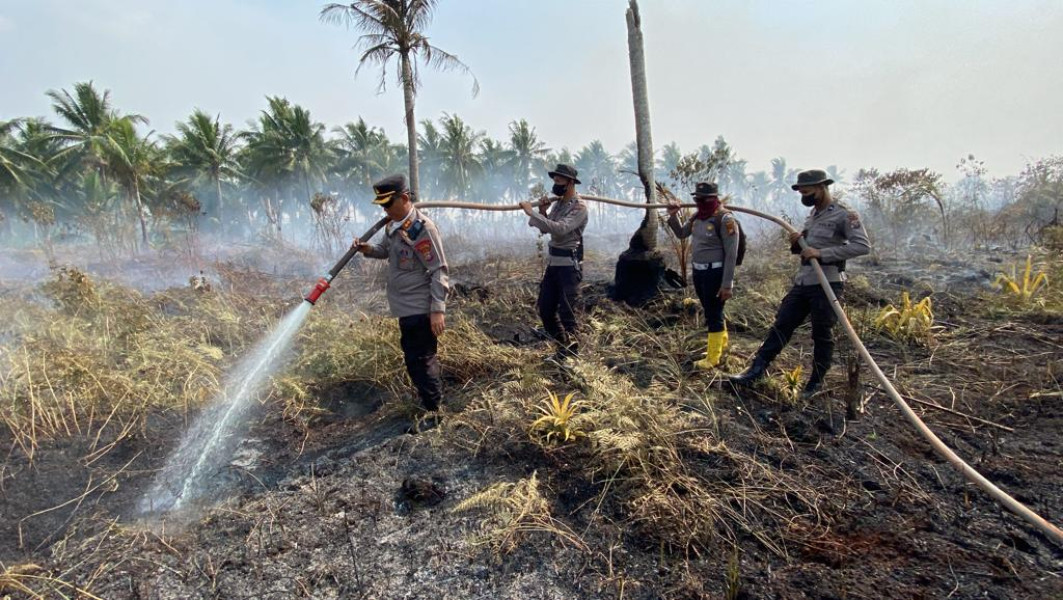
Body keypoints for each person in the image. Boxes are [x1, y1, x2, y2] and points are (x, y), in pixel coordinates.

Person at [729, 169, 871, 398]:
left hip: (827, 283)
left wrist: (822, 253)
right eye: (801, 193)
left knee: (821, 333)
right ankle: (755, 371)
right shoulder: (812, 215)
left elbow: (862, 246)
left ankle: (815, 383)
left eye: (808, 192)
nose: (804, 197)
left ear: (822, 187)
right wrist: (797, 243)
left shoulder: (844, 214)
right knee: (782, 324)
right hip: (804, 281)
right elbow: (805, 250)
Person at [353, 174, 449, 412]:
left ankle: (434, 412)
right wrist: (368, 249)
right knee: (414, 361)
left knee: (423, 361)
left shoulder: (422, 229)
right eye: (382, 205)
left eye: (388, 204)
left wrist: (437, 310)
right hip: (404, 307)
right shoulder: (393, 226)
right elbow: (386, 251)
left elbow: (439, 269)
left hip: (420, 307)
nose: (385, 210)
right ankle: (429, 404)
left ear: (404, 198)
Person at [666, 181, 740, 369]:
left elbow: (732, 254)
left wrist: (727, 284)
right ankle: (720, 347)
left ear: (714, 198)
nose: (699, 202)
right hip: (699, 272)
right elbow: (682, 233)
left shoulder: (725, 219)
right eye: (697, 199)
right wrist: (673, 216)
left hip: (715, 273)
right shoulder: (697, 217)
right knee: (711, 309)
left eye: (703, 199)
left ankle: (713, 359)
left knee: (714, 313)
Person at [519, 164, 589, 361]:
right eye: (555, 180)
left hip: (568, 266)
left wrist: (531, 213)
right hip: (554, 265)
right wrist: (542, 211)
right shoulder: (558, 204)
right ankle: (562, 349)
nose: (555, 184)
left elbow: (559, 229)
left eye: (559, 181)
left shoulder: (579, 207)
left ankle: (575, 360)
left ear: (571, 182)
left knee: (568, 314)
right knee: (546, 309)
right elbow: (546, 229)